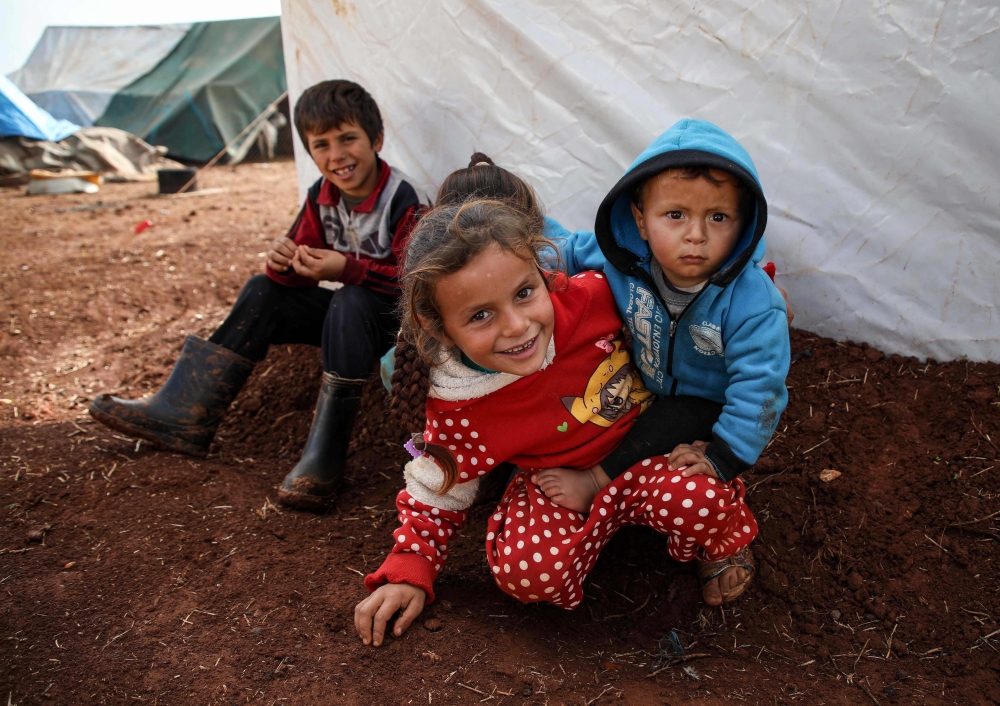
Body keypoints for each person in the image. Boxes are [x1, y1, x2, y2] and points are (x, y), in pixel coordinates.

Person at [354, 197, 759, 647]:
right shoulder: (456, 403)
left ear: (543, 272)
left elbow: (684, 304)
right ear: (439, 329)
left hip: (648, 457)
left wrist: (757, 302)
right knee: (525, 574)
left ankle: (719, 541)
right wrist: (411, 568)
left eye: (525, 293)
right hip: (557, 484)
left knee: (698, 500)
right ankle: (604, 537)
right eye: (480, 315)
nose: (516, 326)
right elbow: (438, 488)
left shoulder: (595, 297)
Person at [89, 80, 430, 510]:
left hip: (395, 331)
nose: (337, 155)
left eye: (348, 139)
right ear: (309, 152)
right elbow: (293, 278)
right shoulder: (320, 197)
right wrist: (283, 264)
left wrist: (348, 269)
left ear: (376, 140)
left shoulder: (405, 197)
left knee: (351, 298)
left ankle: (324, 458)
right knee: (261, 288)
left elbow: (418, 286)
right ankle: (184, 414)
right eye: (321, 145)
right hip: (345, 325)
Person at [533, 119, 791, 600]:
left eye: (718, 218)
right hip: (638, 384)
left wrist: (720, 457)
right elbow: (564, 249)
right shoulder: (623, 261)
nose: (696, 236)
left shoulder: (754, 302)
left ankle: (604, 482)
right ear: (639, 220)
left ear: (744, 225)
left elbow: (761, 389)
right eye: (675, 215)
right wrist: (521, 234)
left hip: (705, 409)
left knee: (677, 421)